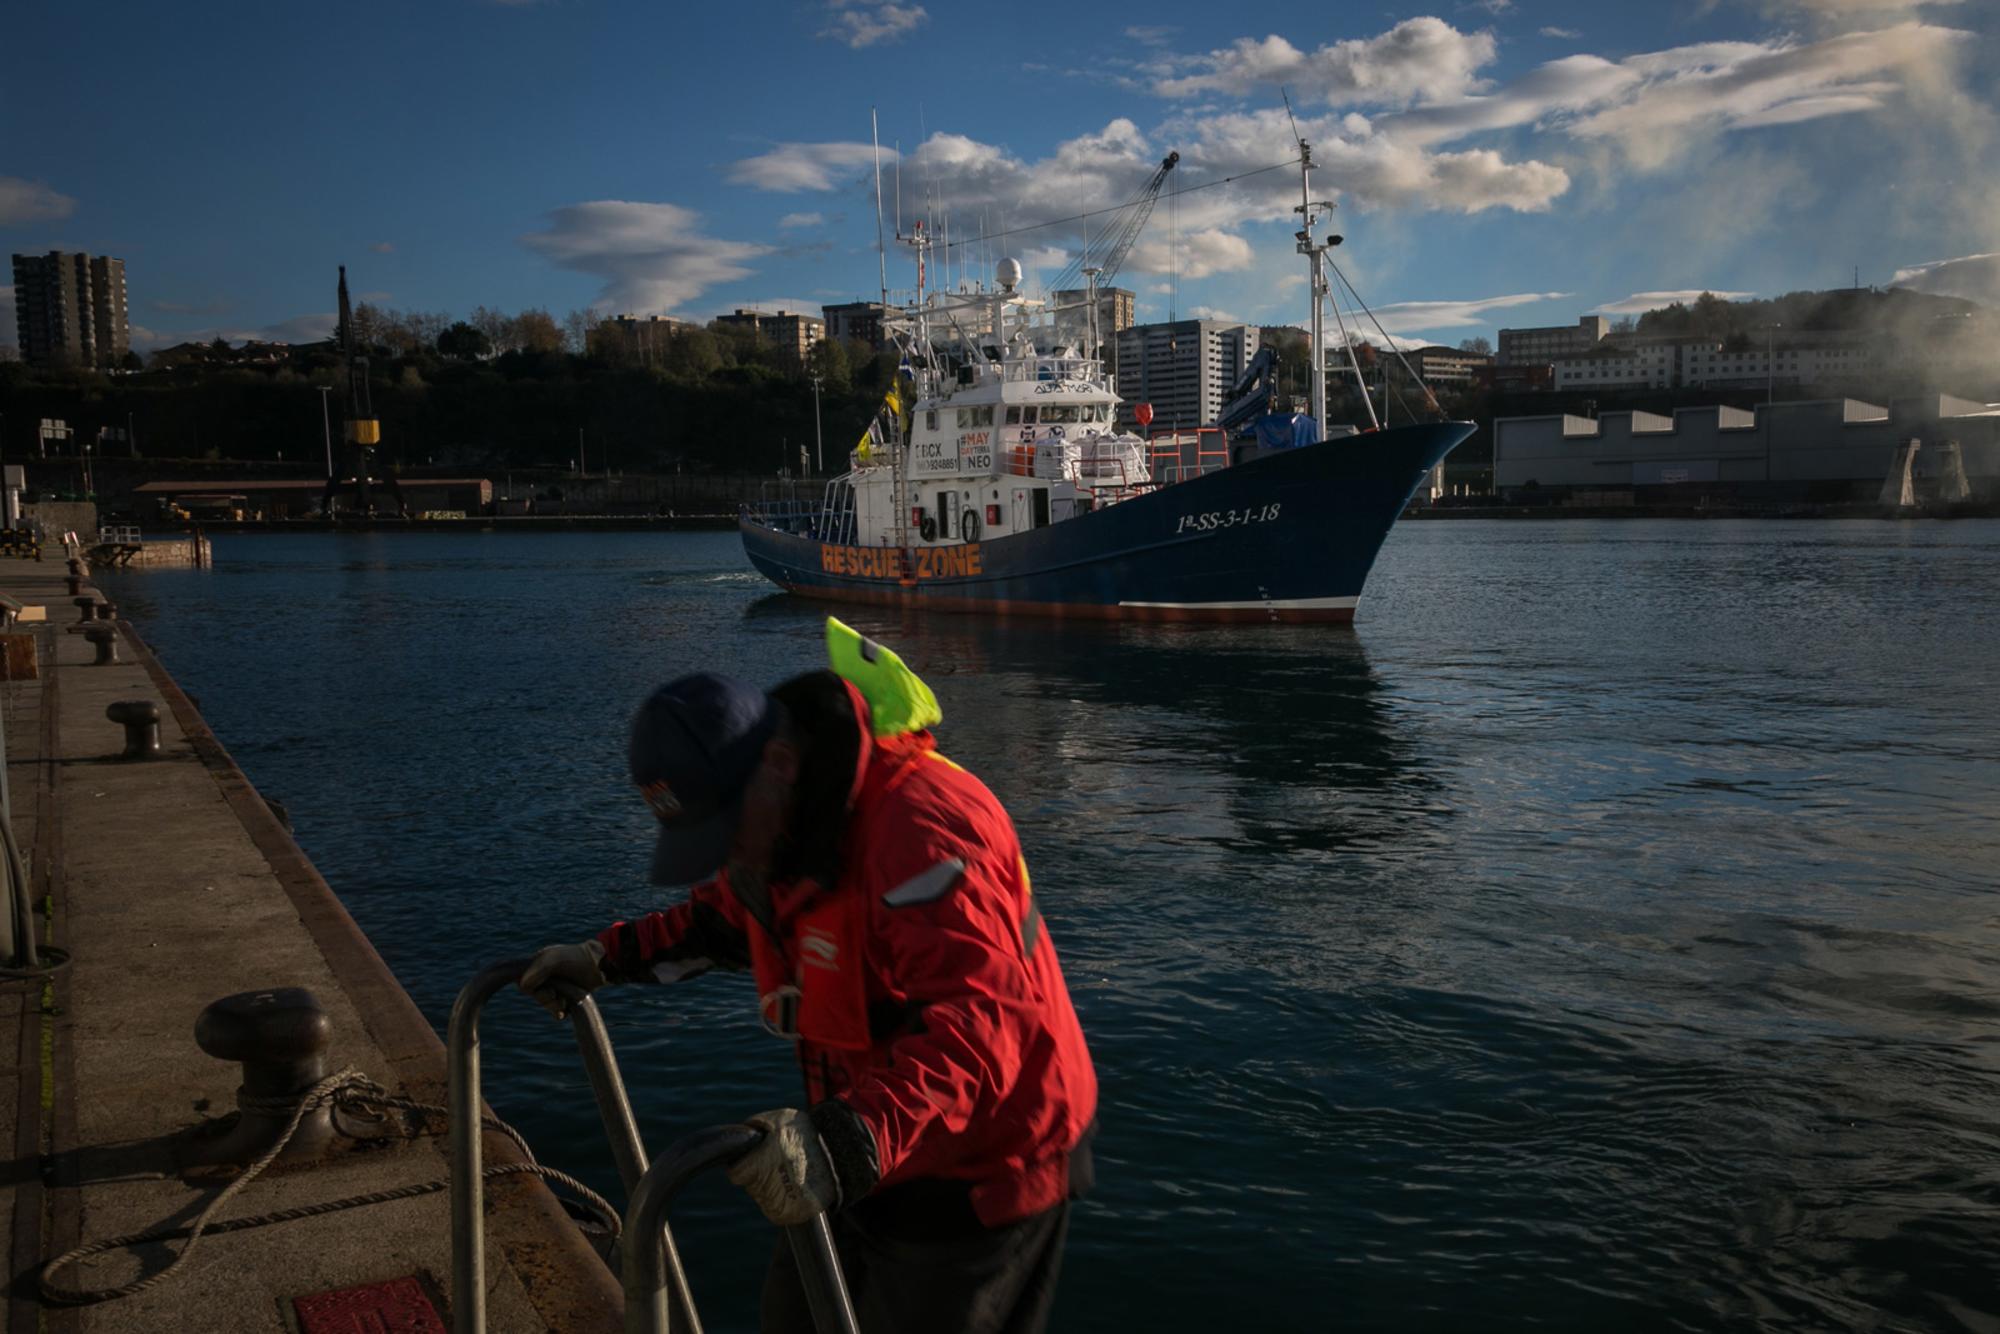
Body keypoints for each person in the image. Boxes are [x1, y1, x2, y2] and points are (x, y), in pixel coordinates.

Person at [521, 619, 1098, 1334]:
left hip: (981, 1171)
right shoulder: (781, 832)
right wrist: (605, 958)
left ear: (782, 765)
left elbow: (984, 1026)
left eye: (725, 830)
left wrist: (846, 1141)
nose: (724, 855)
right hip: (869, 1142)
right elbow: (722, 923)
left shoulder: (923, 827)